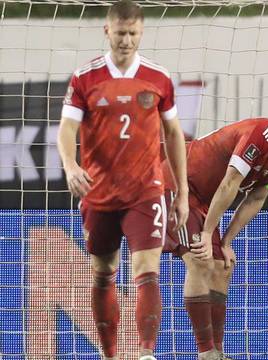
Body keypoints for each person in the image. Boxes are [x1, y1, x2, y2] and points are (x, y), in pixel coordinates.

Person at [56, 1, 189, 359]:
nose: (126, 40)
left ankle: (146, 354)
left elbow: (173, 133)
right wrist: (70, 165)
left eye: (132, 33)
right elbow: (67, 128)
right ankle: (110, 353)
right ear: (107, 31)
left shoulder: (158, 77)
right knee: (103, 274)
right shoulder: (86, 77)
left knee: (147, 270)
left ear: (141, 33)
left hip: (146, 190)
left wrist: (183, 190)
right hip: (99, 193)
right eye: (120, 33)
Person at [162, 117, 268, 360]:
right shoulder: (260, 135)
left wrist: (227, 241)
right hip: (177, 188)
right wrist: (209, 232)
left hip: (203, 203)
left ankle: (217, 352)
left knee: (223, 266)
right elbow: (230, 182)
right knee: (200, 260)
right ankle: (205, 351)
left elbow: (256, 198)